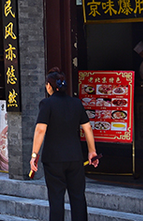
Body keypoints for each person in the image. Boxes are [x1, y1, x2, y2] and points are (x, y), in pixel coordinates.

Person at [30, 68, 99, 221]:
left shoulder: (46, 104)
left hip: (53, 158)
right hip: (75, 157)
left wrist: (34, 154)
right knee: (78, 197)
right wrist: (92, 151)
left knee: (56, 199)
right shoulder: (76, 103)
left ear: (49, 86)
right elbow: (87, 127)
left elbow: (41, 129)